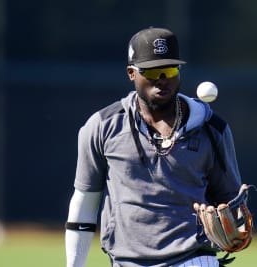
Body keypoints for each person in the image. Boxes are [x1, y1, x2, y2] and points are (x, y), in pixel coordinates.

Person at [65, 27, 243, 267]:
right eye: (152, 70)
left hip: (193, 259)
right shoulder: (102, 126)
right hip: (126, 261)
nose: (162, 79)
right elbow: (85, 203)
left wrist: (233, 220)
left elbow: (231, 203)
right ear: (131, 73)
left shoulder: (212, 129)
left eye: (169, 69)